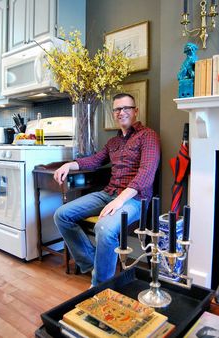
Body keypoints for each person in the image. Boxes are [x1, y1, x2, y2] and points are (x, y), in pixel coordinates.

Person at [53, 93, 160, 287]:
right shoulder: (113, 142)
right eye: (117, 109)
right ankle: (93, 264)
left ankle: (100, 286)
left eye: (126, 108)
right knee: (61, 215)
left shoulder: (148, 136)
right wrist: (69, 165)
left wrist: (120, 201)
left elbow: (146, 174)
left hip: (134, 200)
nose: (122, 112)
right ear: (114, 113)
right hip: (108, 194)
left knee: (103, 227)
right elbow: (94, 161)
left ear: (135, 111)